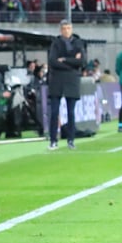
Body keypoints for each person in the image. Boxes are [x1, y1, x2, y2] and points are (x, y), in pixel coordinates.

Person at [47, 19, 86, 150]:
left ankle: (71, 140)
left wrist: (64, 60)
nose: (66, 31)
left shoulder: (78, 43)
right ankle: (53, 140)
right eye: (64, 28)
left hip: (72, 81)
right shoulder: (55, 43)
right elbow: (52, 61)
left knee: (71, 112)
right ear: (60, 30)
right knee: (54, 112)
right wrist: (72, 62)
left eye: (68, 28)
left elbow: (82, 62)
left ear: (72, 29)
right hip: (57, 81)